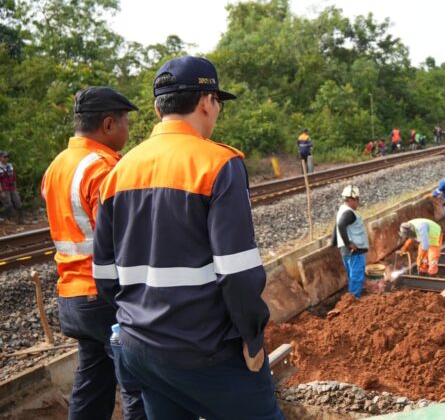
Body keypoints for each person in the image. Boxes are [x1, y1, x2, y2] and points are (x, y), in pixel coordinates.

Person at [93, 56, 284, 419]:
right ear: (205, 102)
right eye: (217, 103)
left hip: (140, 350)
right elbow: (238, 275)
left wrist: (138, 321)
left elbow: (104, 276)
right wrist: (252, 337)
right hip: (205, 353)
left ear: (156, 108)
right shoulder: (219, 165)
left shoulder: (118, 172)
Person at [40, 86, 144, 419]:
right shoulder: (101, 169)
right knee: (138, 383)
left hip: (72, 295)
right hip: (103, 296)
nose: (128, 129)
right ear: (109, 124)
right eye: (126, 121)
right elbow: (121, 238)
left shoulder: (58, 165)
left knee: (92, 382)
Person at [332, 185, 369, 298]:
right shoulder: (349, 213)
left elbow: (337, 226)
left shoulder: (342, 210)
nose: (357, 203)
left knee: (352, 275)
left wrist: (334, 242)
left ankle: (351, 299)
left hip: (346, 251)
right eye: (357, 200)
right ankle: (354, 301)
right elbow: (340, 224)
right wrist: (348, 243)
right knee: (356, 276)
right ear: (352, 199)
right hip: (355, 251)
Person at [0, 151, 24, 224]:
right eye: (5, 157)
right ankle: (8, 220)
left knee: (18, 203)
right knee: (8, 204)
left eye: (7, 157)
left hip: (12, 187)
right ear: (0, 158)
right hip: (4, 188)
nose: (7, 158)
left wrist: (15, 189)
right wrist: (1, 192)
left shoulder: (10, 166)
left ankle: (21, 220)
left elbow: (13, 178)